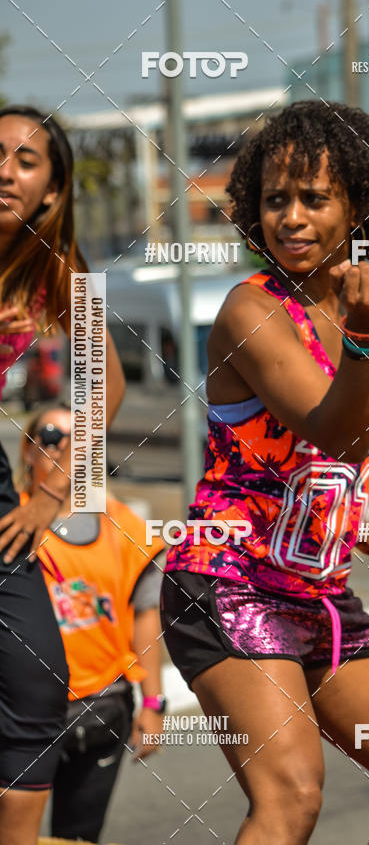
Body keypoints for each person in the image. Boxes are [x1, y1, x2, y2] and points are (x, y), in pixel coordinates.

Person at [161, 100, 369, 845]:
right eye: (276, 200)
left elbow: (323, 457)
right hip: (227, 583)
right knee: (291, 798)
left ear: (359, 205)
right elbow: (336, 428)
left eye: (314, 198)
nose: (292, 218)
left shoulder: (350, 304)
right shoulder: (251, 310)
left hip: (317, 591)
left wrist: (333, 524)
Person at [0, 104, 125, 845]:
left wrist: (53, 493)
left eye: (25, 159)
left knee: (37, 678)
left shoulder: (52, 274)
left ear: (51, 190)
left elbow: (102, 385)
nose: (4, 170)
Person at [16, 403, 165, 842]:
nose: (65, 448)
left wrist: (153, 705)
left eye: (77, 439)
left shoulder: (123, 525)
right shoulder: (12, 522)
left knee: (78, 838)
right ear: (28, 452)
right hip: (21, 714)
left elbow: (145, 618)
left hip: (102, 707)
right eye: (50, 437)